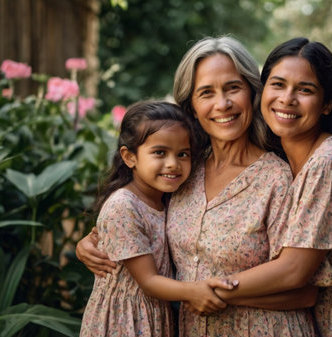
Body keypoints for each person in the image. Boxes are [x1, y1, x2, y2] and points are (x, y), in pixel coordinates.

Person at [77, 37, 319, 336]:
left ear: (252, 94)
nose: (223, 104)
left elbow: (306, 291)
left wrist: (211, 294)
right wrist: (89, 243)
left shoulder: (279, 178)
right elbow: (134, 219)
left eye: (233, 88)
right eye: (206, 92)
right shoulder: (181, 174)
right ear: (191, 106)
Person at [214, 37, 332, 336]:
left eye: (305, 90)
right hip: (316, 312)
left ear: (327, 103)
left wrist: (206, 290)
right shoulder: (281, 156)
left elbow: (294, 270)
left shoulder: (330, 161)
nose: (287, 99)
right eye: (277, 85)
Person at [79, 100, 237, 337]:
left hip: (152, 316)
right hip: (124, 322)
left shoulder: (168, 200)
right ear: (129, 157)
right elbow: (149, 281)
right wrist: (194, 292)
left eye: (183, 154)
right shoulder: (124, 205)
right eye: (159, 152)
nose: (173, 164)